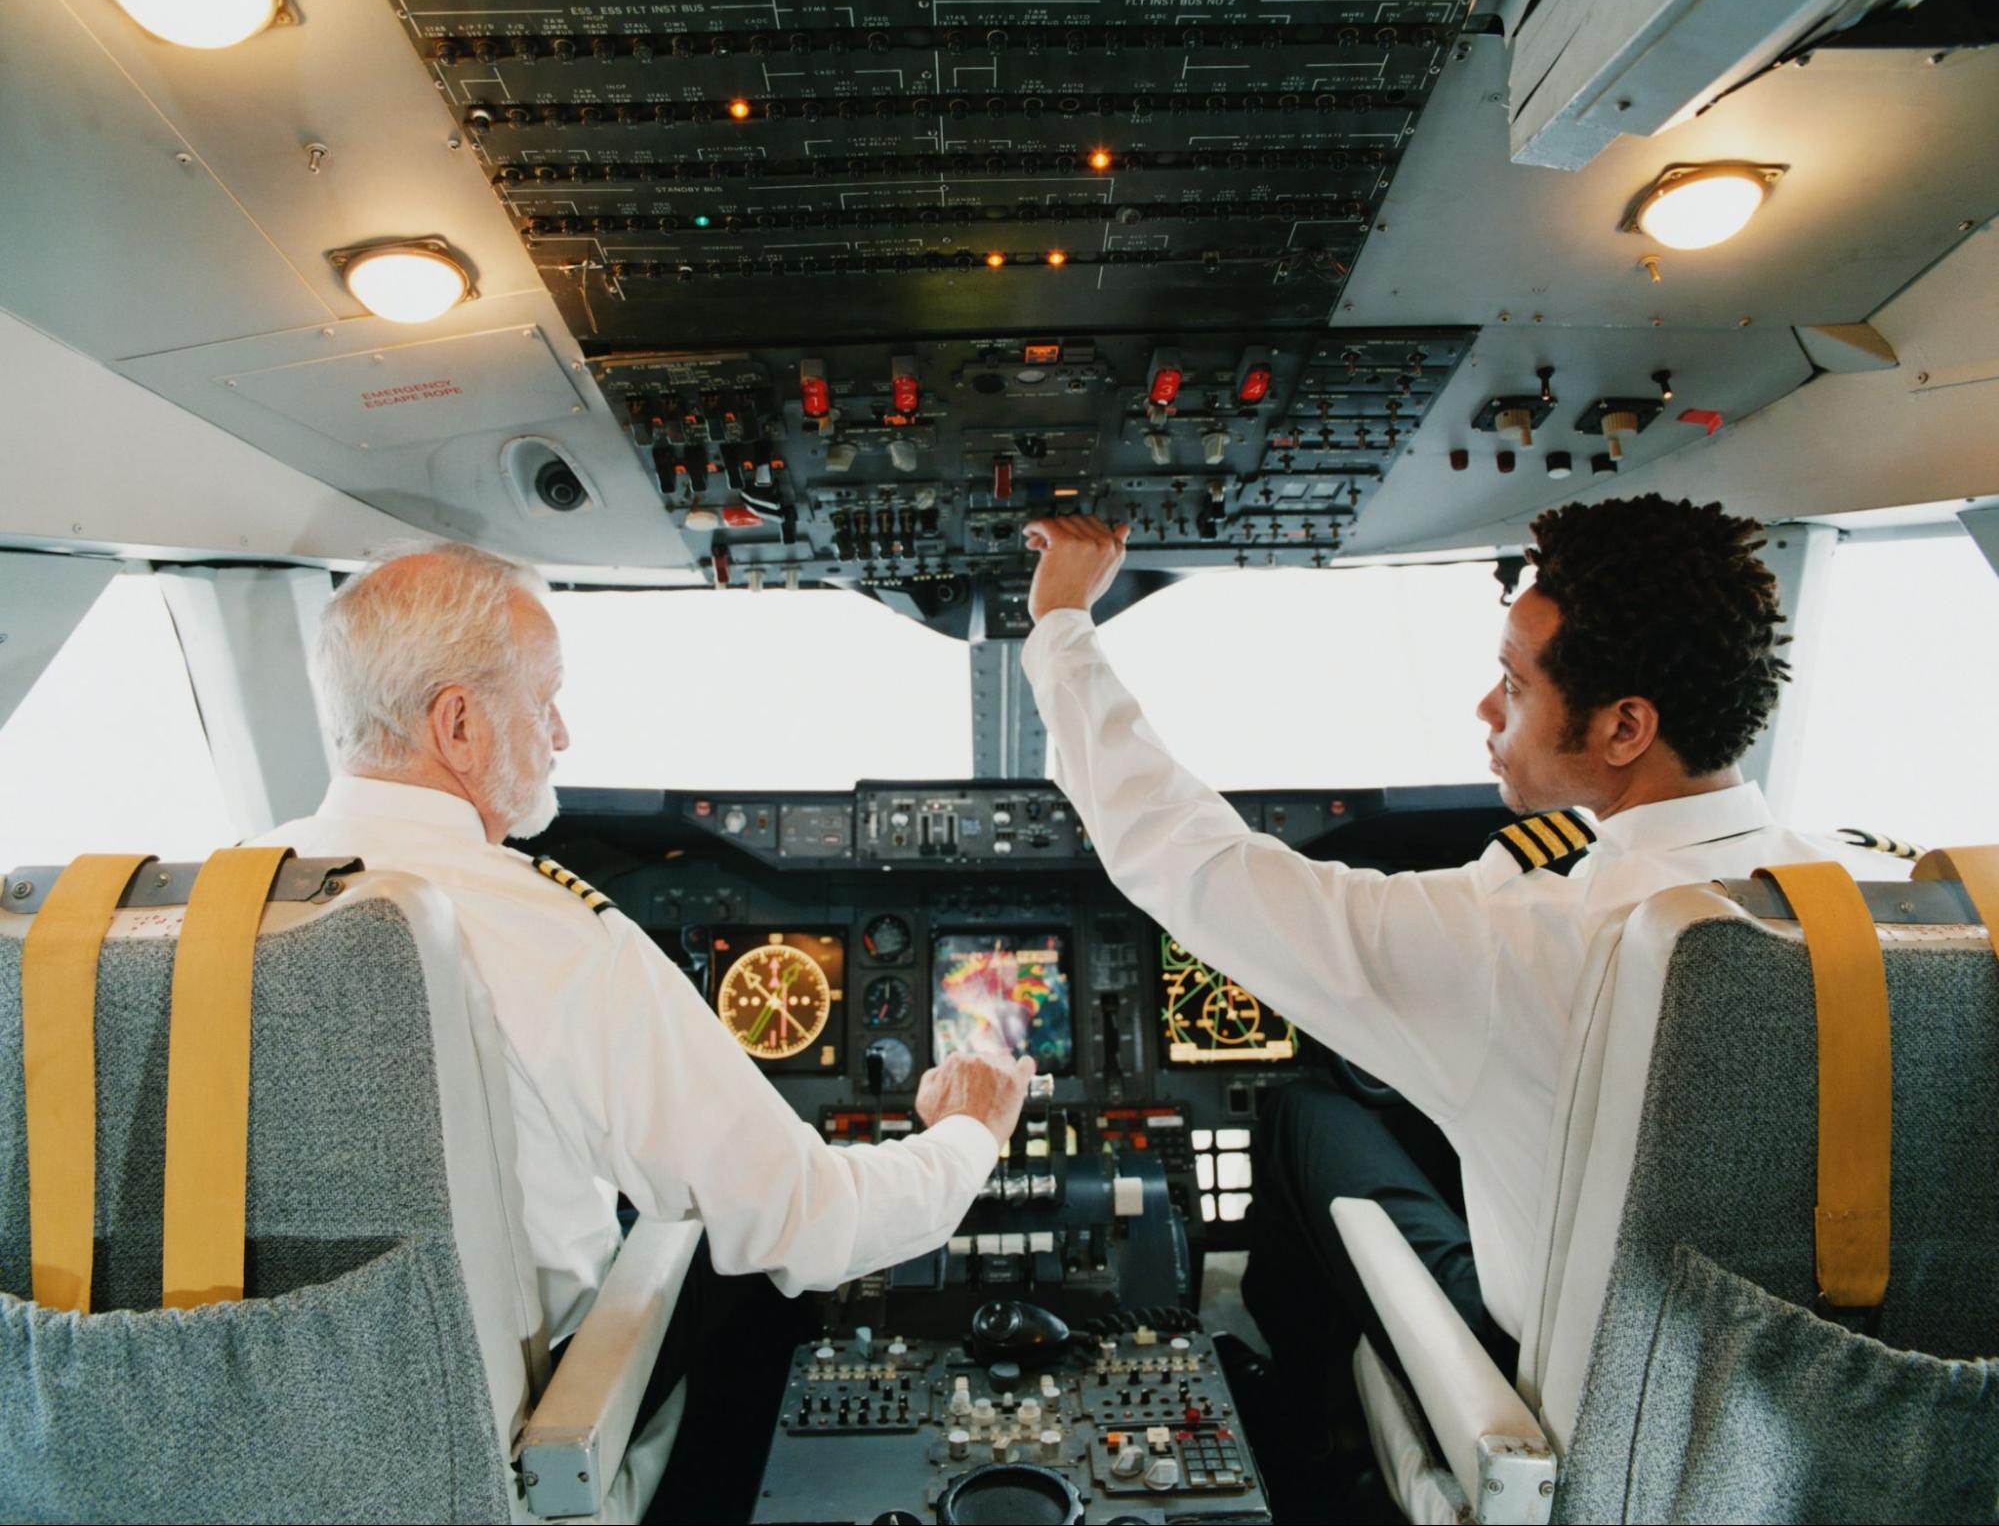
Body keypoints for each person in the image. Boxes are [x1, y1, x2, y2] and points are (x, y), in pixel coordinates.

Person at [1018, 496, 1902, 1440]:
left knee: (1301, 1115)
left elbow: (1191, 862)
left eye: (1513, 686)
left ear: (1624, 728)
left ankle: (1306, 1442)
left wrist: (1061, 623)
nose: (1485, 709)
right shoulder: (1898, 895)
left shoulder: (1521, 939)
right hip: (1837, 1413)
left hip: (1575, 1410)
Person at [259, 542, 1033, 1343]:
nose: (560, 735)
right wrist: (967, 1133)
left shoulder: (209, 899)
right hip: (525, 1428)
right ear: (458, 725)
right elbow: (811, 1221)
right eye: (544, 699)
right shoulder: (547, 935)